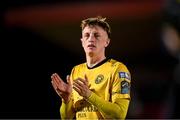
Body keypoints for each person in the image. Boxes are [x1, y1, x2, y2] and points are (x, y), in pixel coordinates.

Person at [51, 16, 131, 119]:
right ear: (82, 42)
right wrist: (66, 100)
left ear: (107, 42)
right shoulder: (76, 71)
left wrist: (89, 95)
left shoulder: (117, 69)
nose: (91, 39)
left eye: (96, 35)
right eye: (87, 35)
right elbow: (66, 117)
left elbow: (119, 115)